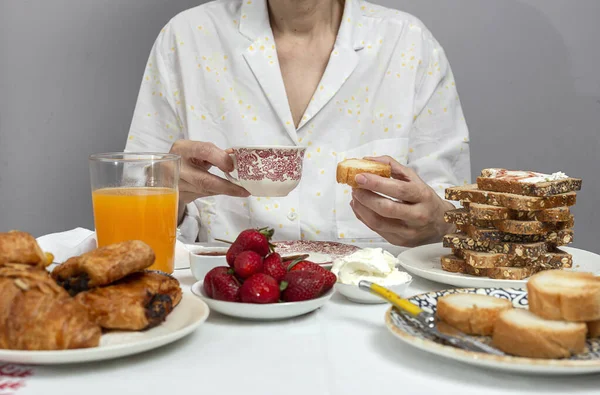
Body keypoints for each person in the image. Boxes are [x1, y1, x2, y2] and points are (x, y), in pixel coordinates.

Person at [125, 0, 470, 246]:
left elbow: (453, 215)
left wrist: (442, 223)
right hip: (225, 310)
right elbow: (130, 229)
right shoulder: (186, 38)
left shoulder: (409, 43)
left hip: (375, 314)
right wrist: (166, 201)